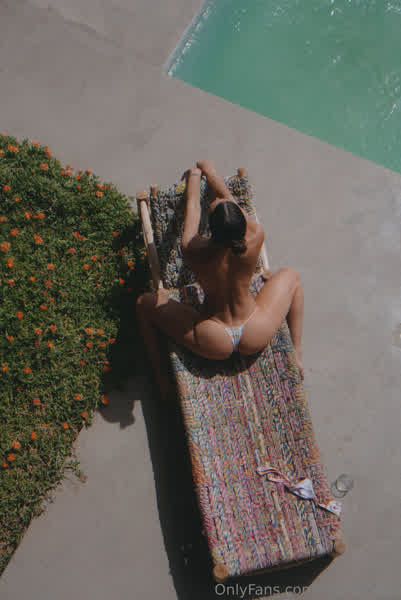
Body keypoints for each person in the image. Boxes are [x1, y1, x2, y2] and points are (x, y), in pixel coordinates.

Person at [136, 160, 304, 401]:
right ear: (241, 226)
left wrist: (195, 177)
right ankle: (296, 354)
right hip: (255, 331)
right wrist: (210, 171)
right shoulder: (256, 236)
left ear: (212, 231)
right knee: (292, 276)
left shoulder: (193, 249)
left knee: (144, 302)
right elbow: (230, 201)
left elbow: (193, 207)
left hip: (214, 339)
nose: (215, 202)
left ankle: (162, 380)